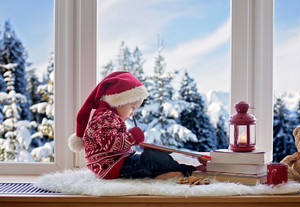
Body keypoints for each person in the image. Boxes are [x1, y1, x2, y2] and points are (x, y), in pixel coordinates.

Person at [68, 71, 205, 180]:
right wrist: (132, 137)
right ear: (120, 100)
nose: (133, 113)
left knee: (151, 157)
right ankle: (189, 171)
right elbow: (110, 144)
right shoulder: (104, 118)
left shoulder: (108, 116)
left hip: (118, 162)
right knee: (151, 159)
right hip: (111, 168)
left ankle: (170, 172)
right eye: (132, 107)